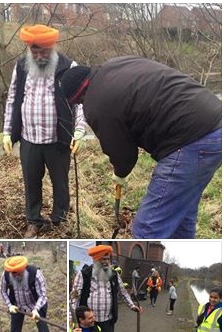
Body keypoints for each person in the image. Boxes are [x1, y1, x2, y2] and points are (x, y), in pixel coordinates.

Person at [60, 56, 222, 239]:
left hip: (190, 140)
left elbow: (123, 153)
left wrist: (119, 173)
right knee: (181, 215)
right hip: (215, 122)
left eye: (79, 102)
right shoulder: (114, 65)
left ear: (79, 95)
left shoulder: (96, 102)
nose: (82, 105)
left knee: (147, 227)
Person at [1, 24, 86, 238]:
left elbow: (81, 103)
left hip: (58, 137)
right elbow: (12, 99)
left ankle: (60, 218)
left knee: (60, 182)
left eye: (44, 51)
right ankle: (33, 220)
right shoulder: (21, 67)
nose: (39, 56)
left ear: (53, 47)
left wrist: (79, 131)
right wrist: (7, 132)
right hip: (29, 137)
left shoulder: (69, 66)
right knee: (31, 182)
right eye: (35, 52)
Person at [70, 245, 142, 332]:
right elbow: (74, 298)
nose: (106, 262)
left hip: (107, 321)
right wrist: (71, 318)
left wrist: (132, 306)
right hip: (88, 322)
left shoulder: (114, 275)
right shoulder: (84, 274)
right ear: (95, 260)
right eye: (102, 259)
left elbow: (123, 292)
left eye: (108, 259)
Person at [0, 255, 57, 332]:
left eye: (18, 273)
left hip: (35, 303)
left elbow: (43, 295)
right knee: (15, 323)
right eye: (13, 274)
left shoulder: (35, 274)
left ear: (23, 269)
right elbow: (2, 291)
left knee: (42, 324)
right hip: (17, 304)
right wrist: (9, 305)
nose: (15, 276)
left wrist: (36, 309)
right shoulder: (6, 274)